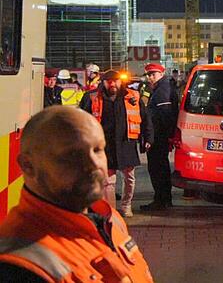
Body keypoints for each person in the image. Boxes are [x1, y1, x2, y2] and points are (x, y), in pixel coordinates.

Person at [0, 107, 154, 282]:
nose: (93, 164)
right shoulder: (17, 267)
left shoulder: (109, 218)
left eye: (98, 149)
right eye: (73, 154)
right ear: (28, 165)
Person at [80, 69, 154, 217]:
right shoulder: (92, 97)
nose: (112, 84)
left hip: (126, 143)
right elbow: (82, 119)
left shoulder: (132, 96)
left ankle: (126, 206)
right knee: (109, 181)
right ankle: (111, 211)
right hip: (105, 145)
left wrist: (148, 138)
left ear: (121, 82)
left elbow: (145, 118)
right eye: (109, 81)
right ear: (103, 82)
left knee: (129, 178)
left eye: (115, 81)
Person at [141, 63, 178, 211]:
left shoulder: (163, 89)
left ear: (161, 74)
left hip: (158, 136)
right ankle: (164, 199)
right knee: (160, 167)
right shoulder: (160, 87)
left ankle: (161, 200)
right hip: (159, 135)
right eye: (148, 75)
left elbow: (165, 115)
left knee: (157, 168)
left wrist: (165, 136)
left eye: (153, 74)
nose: (150, 77)